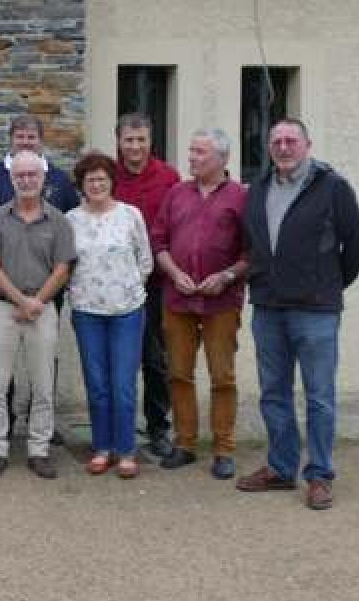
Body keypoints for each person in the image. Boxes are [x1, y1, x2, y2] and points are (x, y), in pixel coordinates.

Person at [237, 118, 359, 511]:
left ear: (307, 144)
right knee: (273, 393)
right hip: (269, 309)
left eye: (291, 140)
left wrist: (326, 286)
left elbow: (358, 249)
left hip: (316, 311)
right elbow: (253, 243)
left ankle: (320, 475)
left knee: (319, 397)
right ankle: (280, 468)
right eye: (276, 140)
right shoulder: (258, 188)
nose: (283, 146)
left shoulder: (333, 187)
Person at [150, 129, 249, 479]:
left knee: (222, 377)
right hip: (177, 299)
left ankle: (224, 449)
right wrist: (174, 273)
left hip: (222, 301)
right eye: (191, 151)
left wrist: (226, 276)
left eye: (200, 153)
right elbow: (158, 241)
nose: (191, 157)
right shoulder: (177, 193)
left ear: (222, 159)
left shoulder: (241, 197)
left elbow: (251, 253)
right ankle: (186, 444)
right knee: (178, 374)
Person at [0, 114, 78, 443]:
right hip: (3, 304)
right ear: (11, 177)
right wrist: (21, 302)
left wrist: (37, 303)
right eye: (19, 175)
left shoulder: (60, 208)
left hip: (45, 303)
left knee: (43, 381)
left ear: (43, 175)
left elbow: (64, 266)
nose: (26, 180)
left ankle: (40, 445)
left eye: (32, 174)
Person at [67, 151, 153, 479]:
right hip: (88, 312)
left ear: (112, 182)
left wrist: (126, 288)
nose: (97, 184)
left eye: (103, 179)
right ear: (82, 185)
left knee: (123, 384)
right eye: (91, 180)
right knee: (98, 383)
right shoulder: (71, 219)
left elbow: (144, 260)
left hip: (126, 311)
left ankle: (127, 450)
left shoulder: (130, 215)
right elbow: (66, 264)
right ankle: (102, 448)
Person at [112, 112, 181, 460]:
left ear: (150, 141)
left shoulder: (169, 177)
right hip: (115, 286)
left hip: (156, 284)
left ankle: (158, 428)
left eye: (141, 139)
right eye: (129, 139)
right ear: (119, 141)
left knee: (155, 360)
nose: (135, 146)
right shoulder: (108, 177)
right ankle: (113, 429)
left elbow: (178, 226)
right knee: (117, 362)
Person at [0, 114, 80, 212]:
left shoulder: (60, 179)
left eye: (31, 137)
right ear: (11, 139)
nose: (25, 142)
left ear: (41, 140)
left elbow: (70, 218)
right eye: (20, 137)